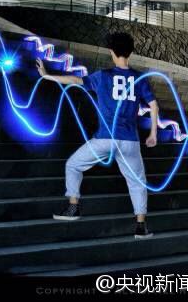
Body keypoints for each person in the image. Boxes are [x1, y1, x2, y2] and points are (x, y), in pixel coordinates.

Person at [36, 32, 160, 239]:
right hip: (129, 140)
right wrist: (153, 134)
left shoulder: (103, 76)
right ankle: (141, 226)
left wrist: (47, 76)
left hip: (105, 139)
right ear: (130, 52)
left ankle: (73, 207)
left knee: (73, 165)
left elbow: (75, 80)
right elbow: (154, 106)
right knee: (137, 182)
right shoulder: (140, 78)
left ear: (111, 52)